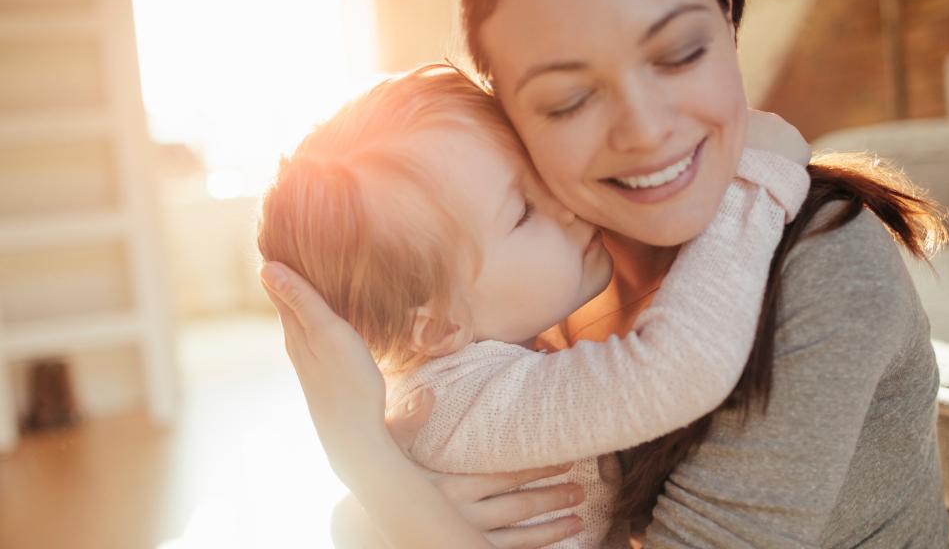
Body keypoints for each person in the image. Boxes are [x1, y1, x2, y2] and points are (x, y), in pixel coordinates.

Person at [261, 0, 949, 546]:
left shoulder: (822, 267)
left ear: (728, 20)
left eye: (680, 52)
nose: (645, 128)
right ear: (509, 112)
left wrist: (382, 490)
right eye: (567, 99)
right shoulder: (552, 281)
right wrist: (375, 498)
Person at [259, 62, 809, 548]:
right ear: (436, 327)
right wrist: (752, 184)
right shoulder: (466, 404)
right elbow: (678, 368)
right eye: (523, 211)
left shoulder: (459, 379)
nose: (564, 205)